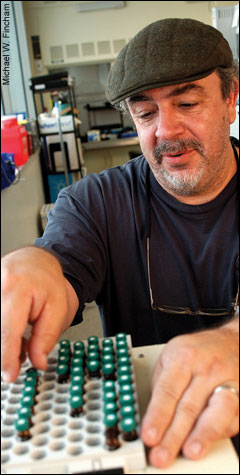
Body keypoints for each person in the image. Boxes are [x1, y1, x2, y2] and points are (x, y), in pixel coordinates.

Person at [1, 18, 239, 468]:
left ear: (230, 98)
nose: (166, 131)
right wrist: (36, 265)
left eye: (187, 102)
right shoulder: (96, 203)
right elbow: (60, 260)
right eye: (145, 113)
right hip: (142, 446)